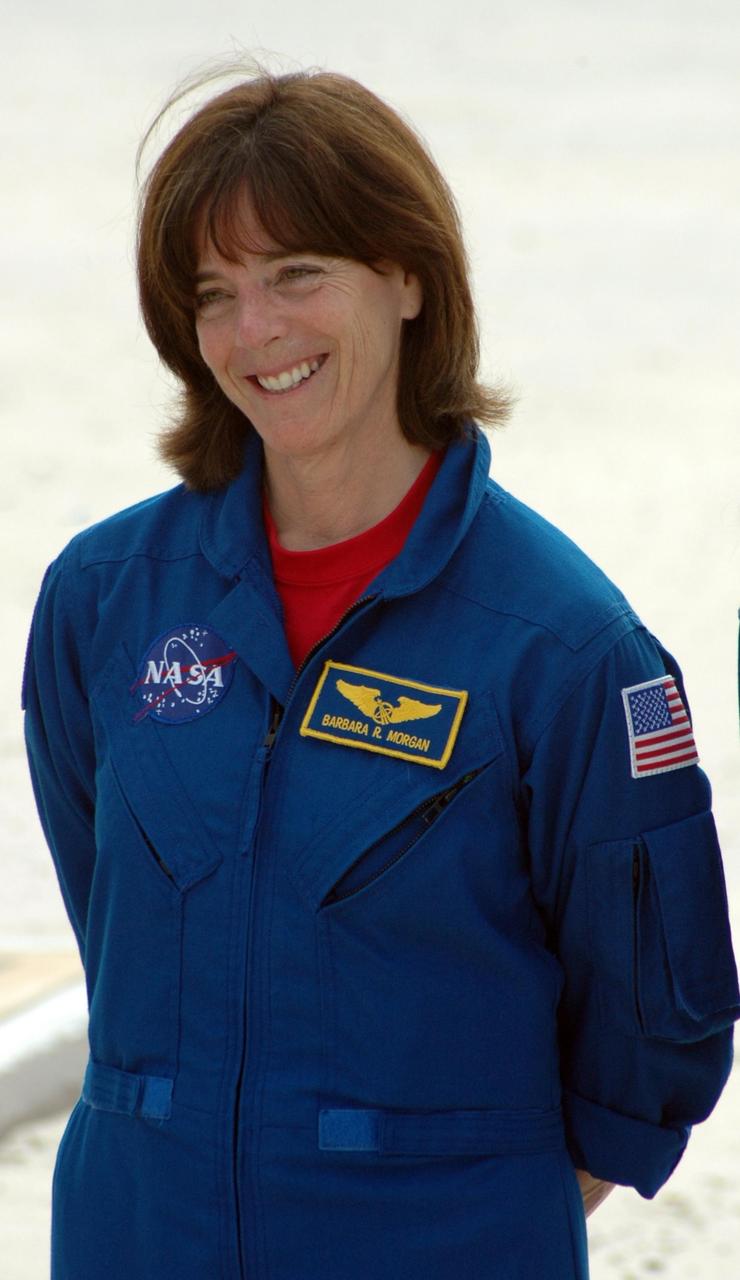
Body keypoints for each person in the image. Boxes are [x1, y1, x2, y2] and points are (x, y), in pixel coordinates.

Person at [23, 67, 739, 1280]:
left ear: (407, 276)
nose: (257, 333)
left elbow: (649, 1027)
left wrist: (454, 1186)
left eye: (297, 273)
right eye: (215, 293)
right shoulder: (104, 599)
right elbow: (115, 919)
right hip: (137, 1234)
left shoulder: (564, 648)